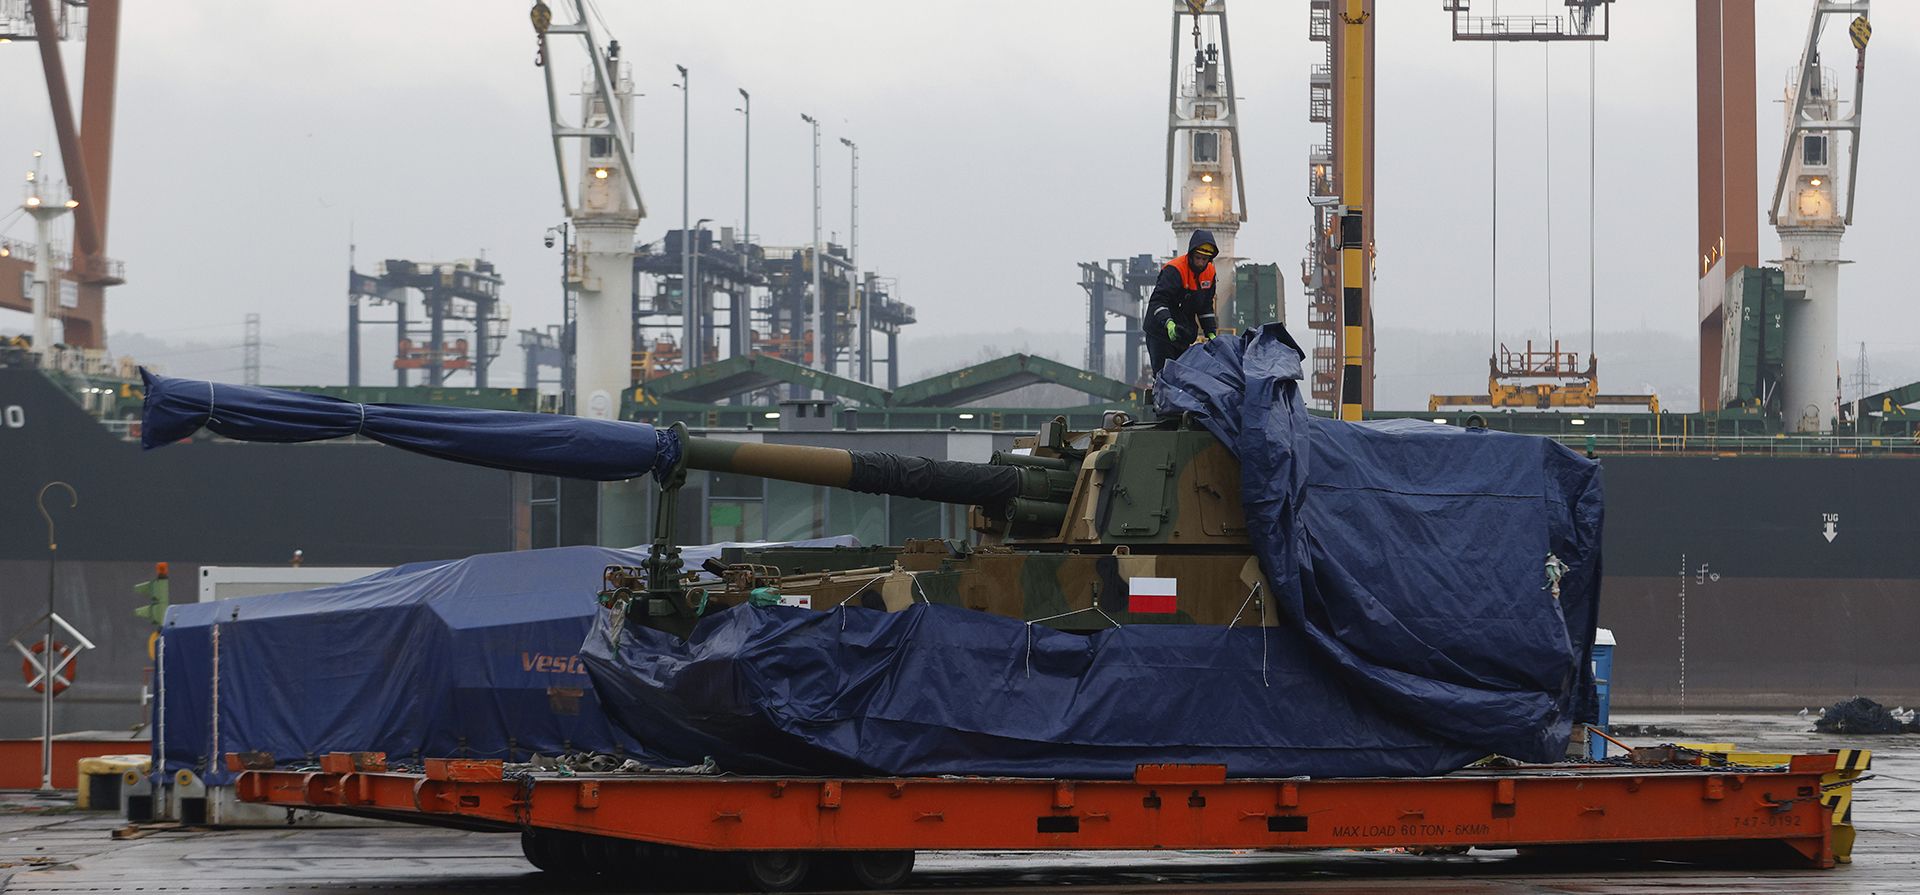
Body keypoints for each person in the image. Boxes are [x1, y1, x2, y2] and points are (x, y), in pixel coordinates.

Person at [1144, 229, 1219, 377]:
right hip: (1160, 332)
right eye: (1198, 258)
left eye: (1205, 259)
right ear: (1191, 254)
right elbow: (1158, 301)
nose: (1200, 263)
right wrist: (1168, 323)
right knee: (1164, 375)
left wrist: (1210, 331)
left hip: (1183, 333)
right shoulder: (1175, 270)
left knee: (1182, 377)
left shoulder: (1209, 273)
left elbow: (1205, 306)